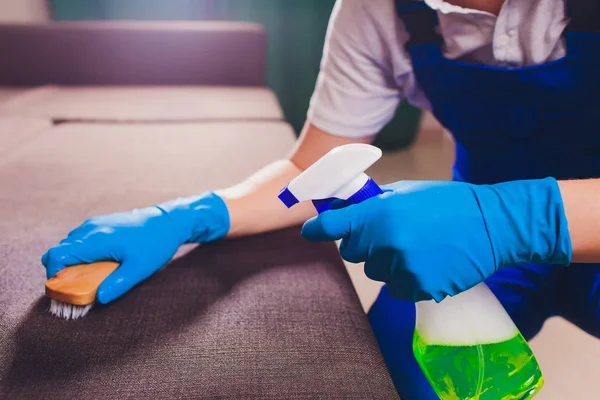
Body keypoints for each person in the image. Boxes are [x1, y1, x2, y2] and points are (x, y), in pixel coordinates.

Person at [42, 0, 600, 397]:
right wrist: (193, 215)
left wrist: (520, 219)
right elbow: (316, 166)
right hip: (465, 246)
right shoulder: (377, 11)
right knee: (391, 370)